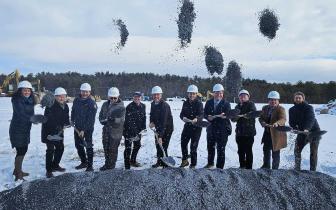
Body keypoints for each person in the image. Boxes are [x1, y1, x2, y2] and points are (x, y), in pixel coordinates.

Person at [9, 81, 36, 181]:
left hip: (25, 128)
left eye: (28, 90)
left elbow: (30, 114)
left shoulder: (30, 100)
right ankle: (18, 174)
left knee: (23, 149)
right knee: (21, 150)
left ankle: (17, 170)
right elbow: (21, 114)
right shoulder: (17, 100)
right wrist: (33, 119)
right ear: (20, 91)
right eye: (24, 90)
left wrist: (35, 118)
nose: (27, 92)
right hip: (17, 129)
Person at [41, 87, 70, 178]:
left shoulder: (66, 106)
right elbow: (49, 120)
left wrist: (67, 123)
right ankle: (49, 170)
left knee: (60, 148)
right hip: (49, 132)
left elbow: (65, 118)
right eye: (59, 96)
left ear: (65, 97)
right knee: (50, 150)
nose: (61, 98)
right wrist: (59, 126)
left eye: (63, 96)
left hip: (59, 132)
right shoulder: (50, 105)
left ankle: (55, 165)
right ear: (55, 97)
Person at [289, 92, 321, 171]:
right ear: (294, 99)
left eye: (299, 98)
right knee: (297, 150)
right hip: (302, 132)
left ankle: (312, 170)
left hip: (314, 132)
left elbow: (311, 119)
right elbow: (291, 122)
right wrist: (294, 128)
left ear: (303, 99)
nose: (298, 99)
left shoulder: (308, 107)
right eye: (296, 98)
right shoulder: (291, 110)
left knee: (313, 152)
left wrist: (307, 128)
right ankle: (297, 168)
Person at [203, 84, 232, 169]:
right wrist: (208, 117)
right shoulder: (208, 102)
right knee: (210, 147)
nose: (219, 95)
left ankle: (219, 167)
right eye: (217, 93)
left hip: (222, 129)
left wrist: (225, 116)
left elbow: (229, 115)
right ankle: (210, 163)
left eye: (220, 93)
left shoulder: (226, 103)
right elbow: (204, 114)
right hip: (211, 128)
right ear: (213, 93)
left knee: (221, 149)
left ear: (223, 93)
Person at [71, 83, 97, 171]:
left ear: (89, 92)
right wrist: (72, 119)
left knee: (88, 145)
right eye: (83, 91)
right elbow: (73, 110)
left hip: (88, 129)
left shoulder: (91, 103)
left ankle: (90, 166)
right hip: (77, 127)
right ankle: (83, 162)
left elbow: (91, 119)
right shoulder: (76, 100)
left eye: (86, 92)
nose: (85, 93)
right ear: (80, 91)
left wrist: (83, 130)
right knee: (78, 145)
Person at [99, 87, 125, 170]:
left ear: (118, 97)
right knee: (106, 148)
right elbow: (101, 115)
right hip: (106, 130)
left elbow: (122, 120)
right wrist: (102, 120)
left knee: (113, 150)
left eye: (115, 98)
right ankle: (107, 164)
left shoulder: (121, 107)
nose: (113, 99)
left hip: (116, 132)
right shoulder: (105, 105)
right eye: (111, 98)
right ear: (108, 97)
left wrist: (113, 120)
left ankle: (111, 166)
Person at [259, 91, 287, 169]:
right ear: (269, 100)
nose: (273, 101)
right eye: (271, 100)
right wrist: (263, 123)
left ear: (278, 101)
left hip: (277, 135)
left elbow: (283, 119)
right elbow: (260, 117)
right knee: (266, 150)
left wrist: (277, 123)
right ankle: (266, 165)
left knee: (275, 152)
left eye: (275, 100)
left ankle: (275, 168)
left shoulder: (281, 109)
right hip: (267, 133)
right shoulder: (265, 108)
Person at [179, 85, 203, 169]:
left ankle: (193, 164)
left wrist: (197, 118)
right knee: (183, 143)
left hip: (197, 128)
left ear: (196, 94)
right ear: (187, 94)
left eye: (193, 94)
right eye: (190, 94)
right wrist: (183, 118)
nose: (191, 95)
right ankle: (185, 160)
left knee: (193, 146)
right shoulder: (185, 103)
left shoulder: (199, 103)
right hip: (187, 126)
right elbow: (181, 114)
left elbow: (201, 115)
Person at [149, 86, 174, 168]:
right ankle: (159, 161)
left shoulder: (164, 106)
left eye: (158, 95)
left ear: (161, 95)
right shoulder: (153, 104)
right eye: (154, 95)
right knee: (157, 146)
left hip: (167, 129)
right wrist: (151, 122)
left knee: (163, 146)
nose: (156, 96)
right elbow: (152, 115)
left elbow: (163, 122)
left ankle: (166, 164)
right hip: (158, 128)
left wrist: (160, 137)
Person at [231, 90, 256, 169]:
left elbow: (253, 114)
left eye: (244, 96)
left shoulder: (251, 104)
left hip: (249, 132)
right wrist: (236, 117)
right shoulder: (237, 106)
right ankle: (242, 165)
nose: (242, 97)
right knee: (240, 150)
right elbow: (233, 119)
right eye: (241, 96)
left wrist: (246, 115)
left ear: (248, 97)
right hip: (239, 132)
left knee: (248, 150)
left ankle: (249, 167)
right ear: (239, 97)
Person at [123, 91, 146, 169]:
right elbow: (128, 121)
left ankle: (132, 160)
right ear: (133, 97)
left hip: (138, 131)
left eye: (138, 97)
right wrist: (134, 132)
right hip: (128, 131)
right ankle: (127, 165)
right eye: (135, 97)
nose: (137, 98)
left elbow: (144, 117)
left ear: (141, 97)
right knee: (128, 148)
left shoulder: (143, 106)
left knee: (137, 146)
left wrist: (143, 128)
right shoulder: (129, 107)